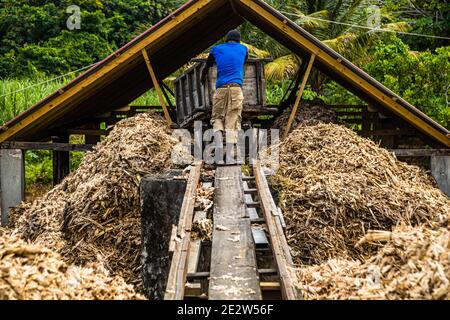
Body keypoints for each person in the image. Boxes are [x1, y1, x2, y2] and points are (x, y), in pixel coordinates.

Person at [201, 29, 248, 144]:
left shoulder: (216, 49)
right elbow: (244, 60)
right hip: (236, 89)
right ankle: (231, 154)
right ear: (238, 40)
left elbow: (207, 65)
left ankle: (218, 147)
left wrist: (203, 76)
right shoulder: (244, 49)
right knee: (233, 120)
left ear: (226, 39)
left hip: (221, 89)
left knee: (217, 118)